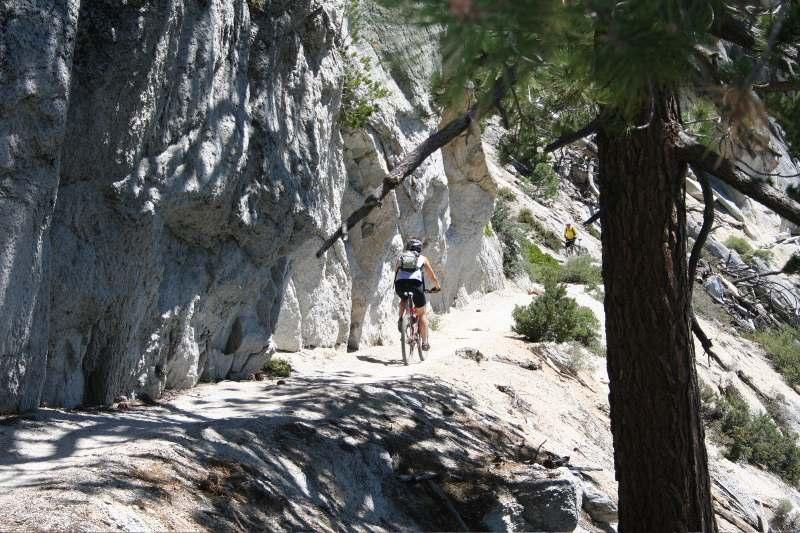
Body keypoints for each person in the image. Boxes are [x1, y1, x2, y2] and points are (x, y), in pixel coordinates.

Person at [394, 238, 441, 351]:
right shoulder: (423, 259)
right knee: (422, 314)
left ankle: (401, 319)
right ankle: (425, 343)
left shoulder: (400, 257)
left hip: (400, 285)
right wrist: (437, 287)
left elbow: (396, 272)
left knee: (403, 299)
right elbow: (432, 277)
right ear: (419, 248)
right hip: (416, 286)